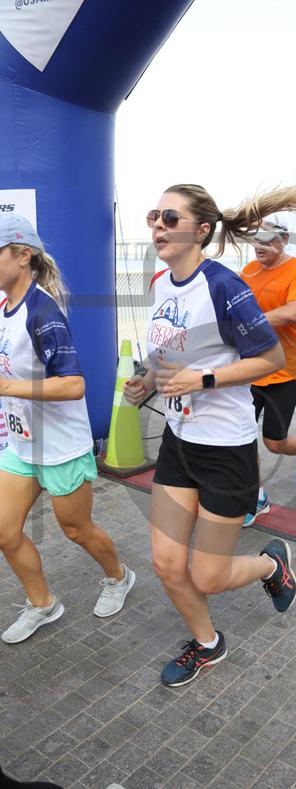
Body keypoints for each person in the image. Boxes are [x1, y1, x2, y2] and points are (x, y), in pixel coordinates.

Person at [123, 183, 296, 687]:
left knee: (208, 575)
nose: (159, 226)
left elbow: (270, 357)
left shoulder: (223, 285)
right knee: (167, 564)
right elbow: (165, 352)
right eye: (155, 216)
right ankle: (208, 644)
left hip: (224, 450)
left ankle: (270, 565)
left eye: (171, 218)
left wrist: (204, 379)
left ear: (202, 230)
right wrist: (146, 378)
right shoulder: (161, 284)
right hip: (178, 442)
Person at [0, 214, 135, 644]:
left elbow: (74, 385)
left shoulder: (43, 313)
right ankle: (43, 604)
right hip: (22, 444)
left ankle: (118, 576)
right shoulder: (4, 307)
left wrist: (7, 386)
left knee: (76, 529)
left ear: (22, 255)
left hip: (60, 448)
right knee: (4, 531)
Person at [240, 218, 296, 527]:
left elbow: (293, 312)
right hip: (249, 367)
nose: (258, 245)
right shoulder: (248, 271)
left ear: (283, 239)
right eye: (254, 239)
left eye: (266, 238)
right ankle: (256, 497)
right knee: (240, 435)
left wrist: (251, 322)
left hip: (285, 369)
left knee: (274, 441)